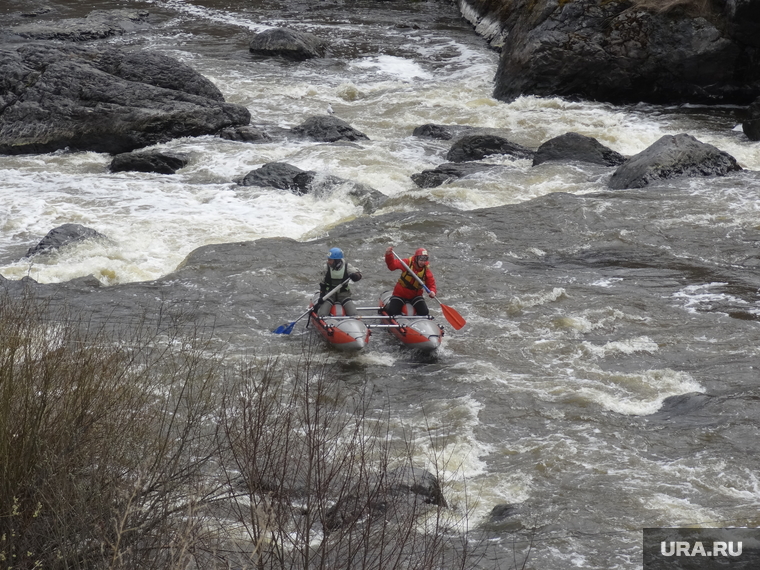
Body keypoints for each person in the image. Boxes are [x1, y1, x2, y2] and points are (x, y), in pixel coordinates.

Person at [384, 246, 436, 316]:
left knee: (424, 312)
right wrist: (389, 255)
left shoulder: (426, 270)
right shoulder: (406, 263)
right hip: (400, 294)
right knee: (392, 311)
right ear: (416, 258)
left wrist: (432, 291)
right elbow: (392, 266)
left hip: (415, 295)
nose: (422, 262)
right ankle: (388, 307)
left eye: (425, 260)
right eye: (421, 259)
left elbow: (431, 284)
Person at [316, 247, 362, 317]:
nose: (328, 261)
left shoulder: (347, 267)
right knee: (322, 314)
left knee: (354, 314)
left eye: (330, 260)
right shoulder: (326, 268)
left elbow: (358, 275)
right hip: (329, 295)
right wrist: (321, 297)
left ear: (336, 260)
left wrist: (355, 276)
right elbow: (322, 284)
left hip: (344, 295)